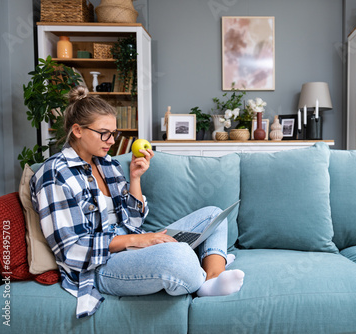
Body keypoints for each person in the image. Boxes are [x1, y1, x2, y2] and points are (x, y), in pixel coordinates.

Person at [30, 86, 244, 319]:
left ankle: (211, 279)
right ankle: (209, 265)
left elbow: (133, 220)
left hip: (131, 246)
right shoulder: (54, 174)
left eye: (114, 133)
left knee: (213, 214)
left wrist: (135, 178)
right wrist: (138, 240)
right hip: (101, 266)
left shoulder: (106, 164)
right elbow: (72, 248)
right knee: (178, 255)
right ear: (77, 130)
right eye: (104, 133)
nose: (111, 140)